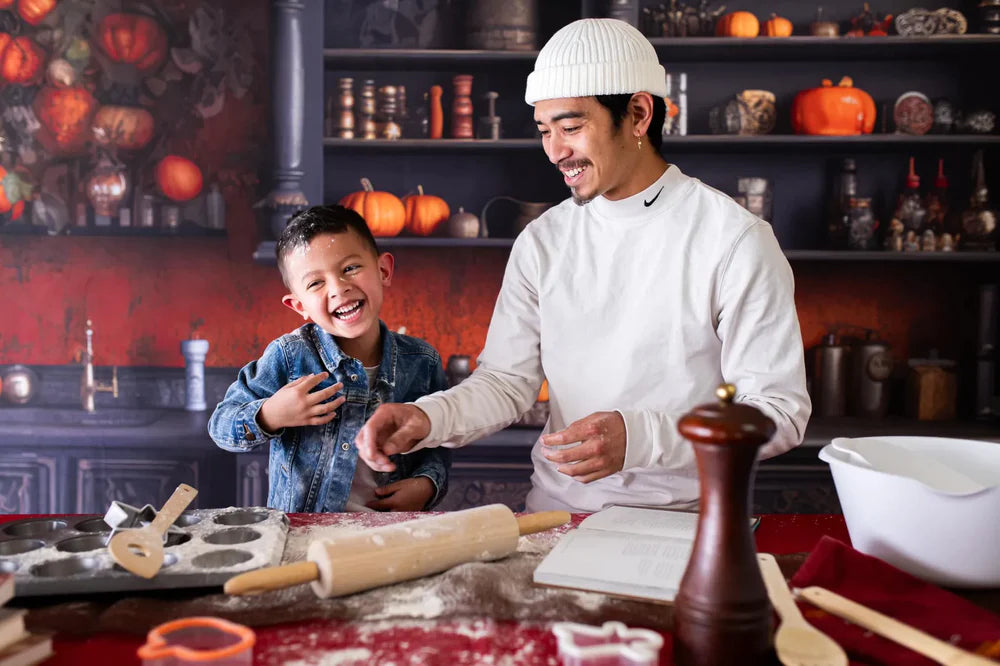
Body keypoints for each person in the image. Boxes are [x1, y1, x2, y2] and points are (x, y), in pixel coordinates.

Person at [355, 18, 810, 512]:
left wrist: (640, 437)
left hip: (687, 527)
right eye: (545, 131)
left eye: (571, 127)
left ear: (638, 114)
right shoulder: (543, 241)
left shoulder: (735, 240)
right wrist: (428, 419)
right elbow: (507, 382)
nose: (555, 151)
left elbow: (777, 413)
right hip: (553, 519)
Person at [208, 205, 451, 513]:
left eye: (350, 268)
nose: (338, 288)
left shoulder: (422, 361)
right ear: (299, 306)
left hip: (392, 537)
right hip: (303, 536)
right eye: (315, 283)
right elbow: (221, 426)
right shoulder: (289, 356)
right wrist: (270, 414)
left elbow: (438, 445)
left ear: (383, 271)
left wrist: (428, 485)